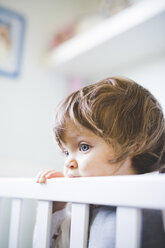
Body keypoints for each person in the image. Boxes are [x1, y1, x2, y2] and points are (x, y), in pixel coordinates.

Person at [34, 76, 165, 248]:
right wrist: (56, 210)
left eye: (84, 147)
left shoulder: (156, 193)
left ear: (135, 144)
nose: (69, 163)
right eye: (66, 152)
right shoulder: (86, 209)